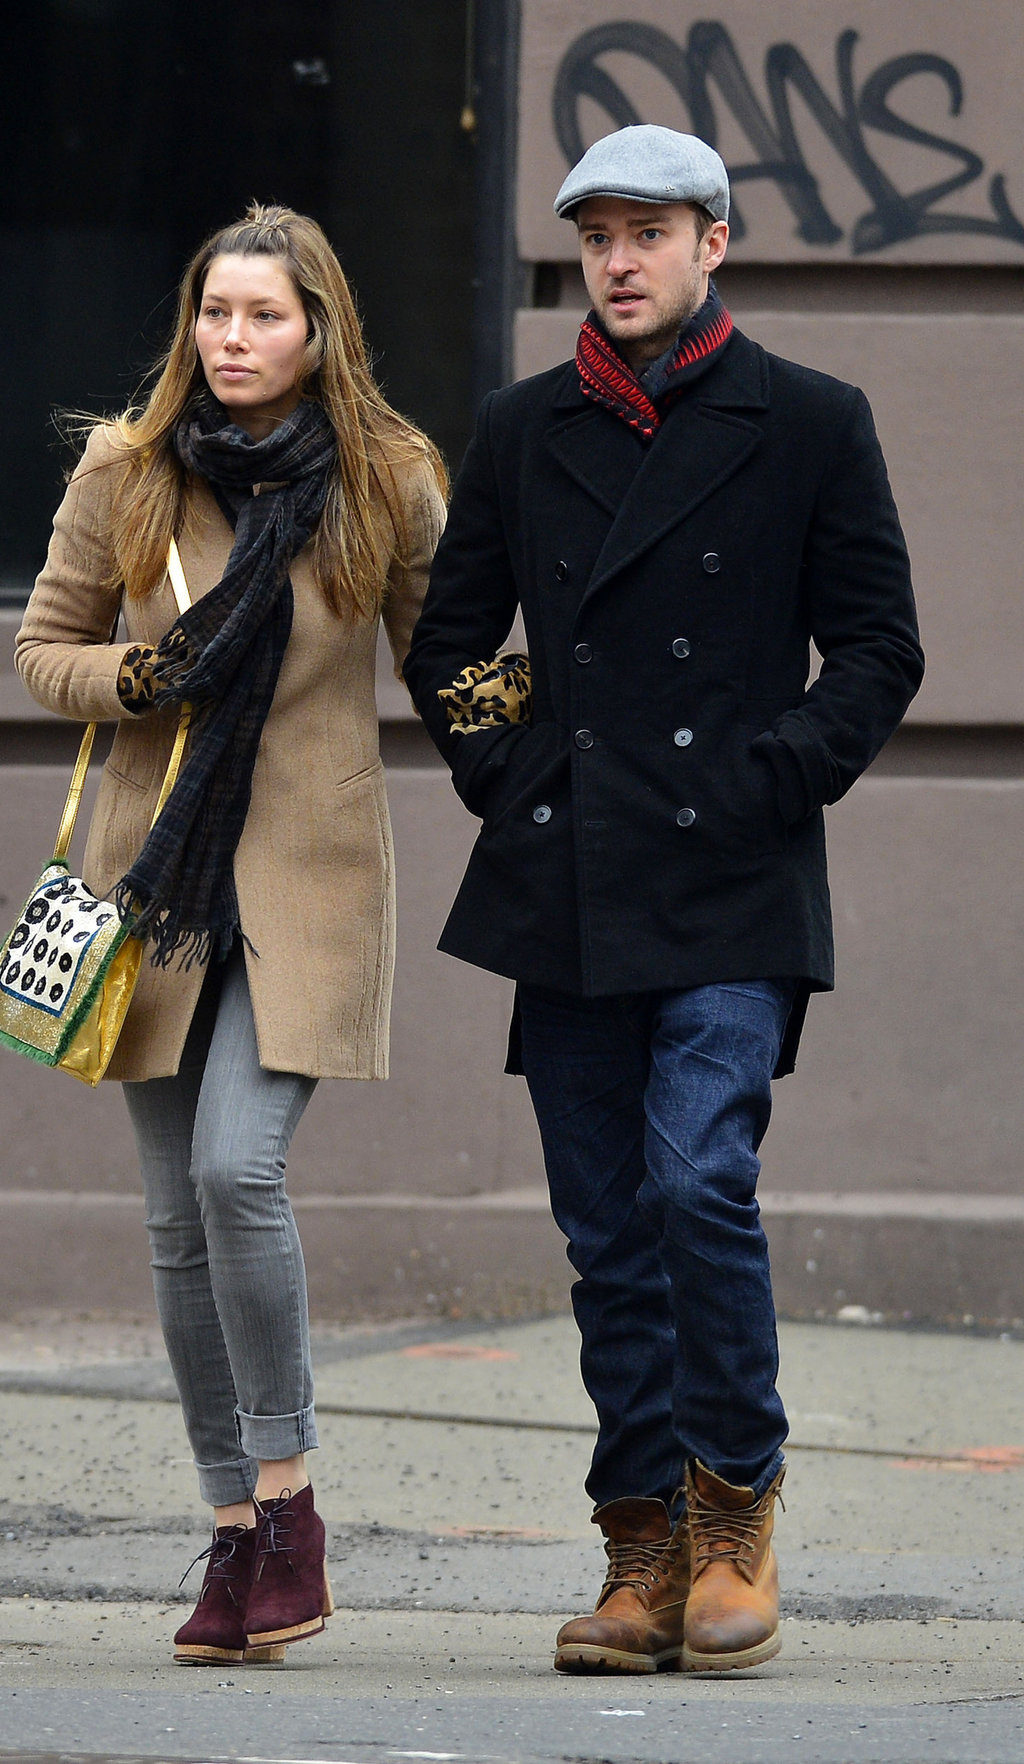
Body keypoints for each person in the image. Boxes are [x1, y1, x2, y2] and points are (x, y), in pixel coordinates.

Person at [403, 125, 923, 1676]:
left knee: (697, 1178)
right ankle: (642, 1545)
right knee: (608, 1228)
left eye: (648, 232)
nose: (618, 261)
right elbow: (445, 643)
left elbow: (882, 650)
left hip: (732, 874)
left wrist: (775, 775)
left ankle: (737, 1502)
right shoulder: (520, 426)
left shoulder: (813, 422)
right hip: (568, 875)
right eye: (597, 237)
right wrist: (511, 776)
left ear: (714, 246)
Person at [16, 204, 446, 1666]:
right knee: (171, 1226)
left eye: (264, 316)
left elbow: (448, 660)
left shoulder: (384, 479)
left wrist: (551, 748)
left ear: (320, 328)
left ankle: (290, 1505)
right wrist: (143, 674)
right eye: (215, 314)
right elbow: (40, 649)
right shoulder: (125, 470)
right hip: (155, 882)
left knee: (232, 1167)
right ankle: (228, 1533)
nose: (233, 341)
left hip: (310, 880)